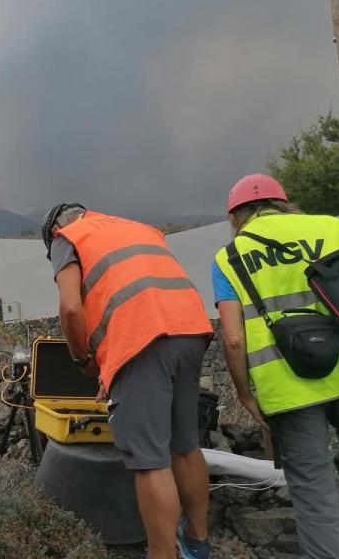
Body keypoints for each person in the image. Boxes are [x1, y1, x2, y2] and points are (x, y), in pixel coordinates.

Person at [212, 173, 339, 559]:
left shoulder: (228, 258)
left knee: (312, 486)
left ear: (236, 215)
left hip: (289, 387)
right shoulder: (331, 228)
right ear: (284, 202)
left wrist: (243, 393)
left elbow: (234, 337)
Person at [42, 203, 214, 559]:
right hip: (192, 327)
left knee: (150, 460)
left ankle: (161, 553)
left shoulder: (66, 237)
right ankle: (198, 544)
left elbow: (72, 308)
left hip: (144, 336)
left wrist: (83, 361)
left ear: (56, 228)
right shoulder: (137, 228)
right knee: (184, 445)